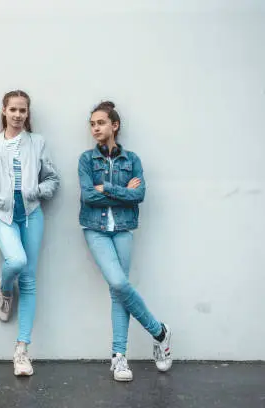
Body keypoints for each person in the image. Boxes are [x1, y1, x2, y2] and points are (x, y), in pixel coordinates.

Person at [78, 100, 172, 382]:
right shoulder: (86, 159)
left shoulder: (132, 160)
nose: (96, 128)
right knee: (119, 284)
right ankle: (160, 332)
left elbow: (139, 195)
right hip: (95, 229)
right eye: (92, 124)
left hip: (123, 229)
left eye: (101, 123)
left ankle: (118, 357)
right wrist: (121, 190)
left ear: (114, 125)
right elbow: (87, 196)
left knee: (118, 292)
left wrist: (105, 187)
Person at [0, 90, 59, 376]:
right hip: (3, 215)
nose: (18, 115)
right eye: (13, 110)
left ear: (27, 113)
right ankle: (6, 289)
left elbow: (53, 179)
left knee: (30, 280)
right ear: (4, 111)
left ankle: (21, 350)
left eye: (23, 110)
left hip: (32, 215)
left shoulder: (38, 142)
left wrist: (36, 191)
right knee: (16, 262)